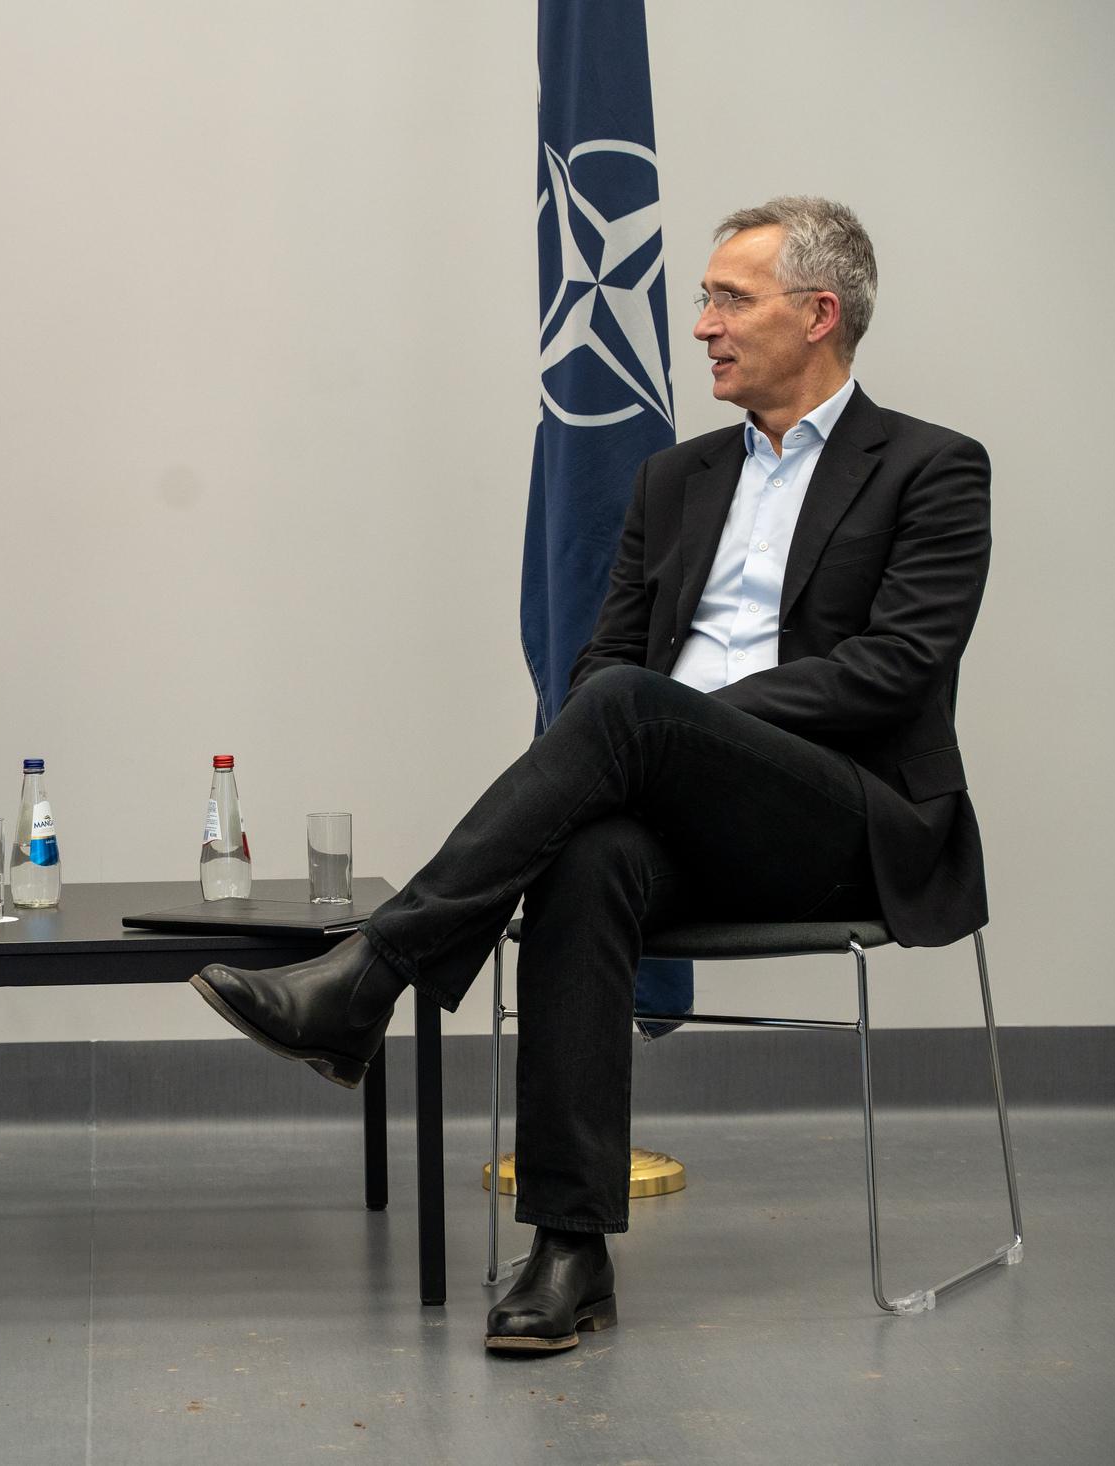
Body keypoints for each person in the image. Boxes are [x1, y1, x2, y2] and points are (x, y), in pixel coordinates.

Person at [193, 197, 990, 1355]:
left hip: (841, 818)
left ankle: (374, 972)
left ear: (820, 315)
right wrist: (659, 730)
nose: (702, 323)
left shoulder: (931, 467)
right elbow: (604, 661)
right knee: (589, 850)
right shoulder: (675, 478)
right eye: (705, 298)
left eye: (731, 297)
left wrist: (682, 721)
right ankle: (572, 1249)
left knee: (625, 711)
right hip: (673, 809)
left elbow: (897, 669)